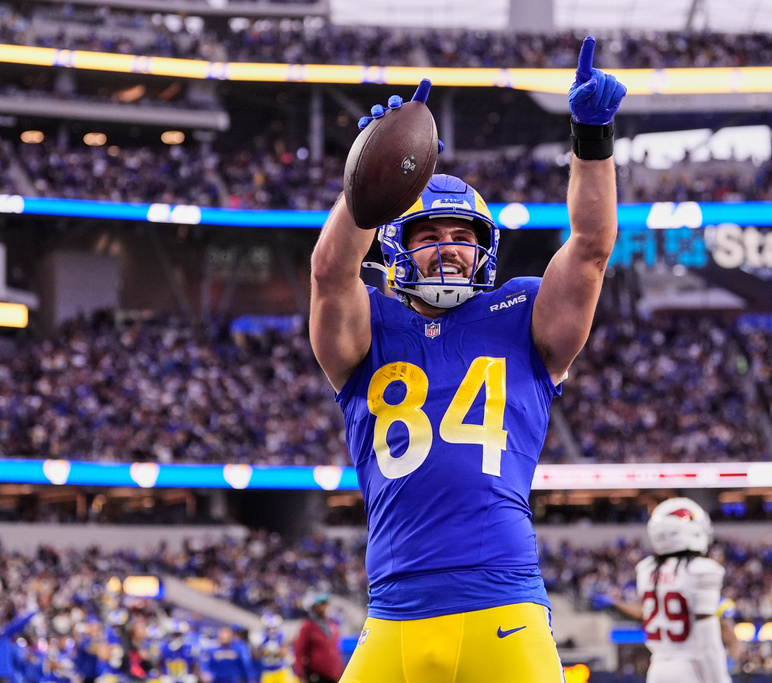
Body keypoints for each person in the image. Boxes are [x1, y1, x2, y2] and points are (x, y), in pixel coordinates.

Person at [308, 34, 625, 683]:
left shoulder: (522, 313)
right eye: (429, 235)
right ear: (394, 244)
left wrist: (591, 141)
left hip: (501, 606)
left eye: (463, 236)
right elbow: (329, 272)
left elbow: (591, 247)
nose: (449, 248)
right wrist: (362, 190)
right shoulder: (370, 322)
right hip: (393, 615)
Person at [603, 498, 732, 683]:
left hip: (657, 668)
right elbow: (707, 640)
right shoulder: (702, 569)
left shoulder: (646, 569)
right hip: (692, 668)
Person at [291, 596, 342, 683]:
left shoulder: (330, 625)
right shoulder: (308, 626)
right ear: (313, 607)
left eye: (325, 605)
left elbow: (334, 650)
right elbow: (299, 651)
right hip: (316, 676)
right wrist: (300, 675)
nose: (324, 608)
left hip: (333, 675)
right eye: (320, 605)